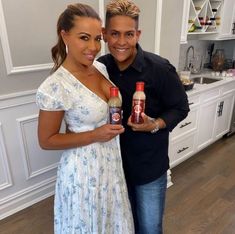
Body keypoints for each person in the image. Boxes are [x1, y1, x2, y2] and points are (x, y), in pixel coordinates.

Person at [36, 3, 134, 234]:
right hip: (83, 173)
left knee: (111, 222)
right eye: (84, 38)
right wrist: (95, 134)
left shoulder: (100, 68)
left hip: (110, 164)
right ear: (65, 36)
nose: (93, 47)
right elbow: (46, 140)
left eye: (97, 38)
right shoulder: (55, 86)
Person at [98, 0, 190, 233]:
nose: (121, 42)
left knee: (149, 228)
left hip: (148, 166)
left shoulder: (160, 69)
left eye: (129, 34)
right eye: (115, 34)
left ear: (138, 34)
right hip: (113, 166)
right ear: (104, 34)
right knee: (123, 226)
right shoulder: (99, 68)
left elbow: (180, 108)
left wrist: (155, 124)